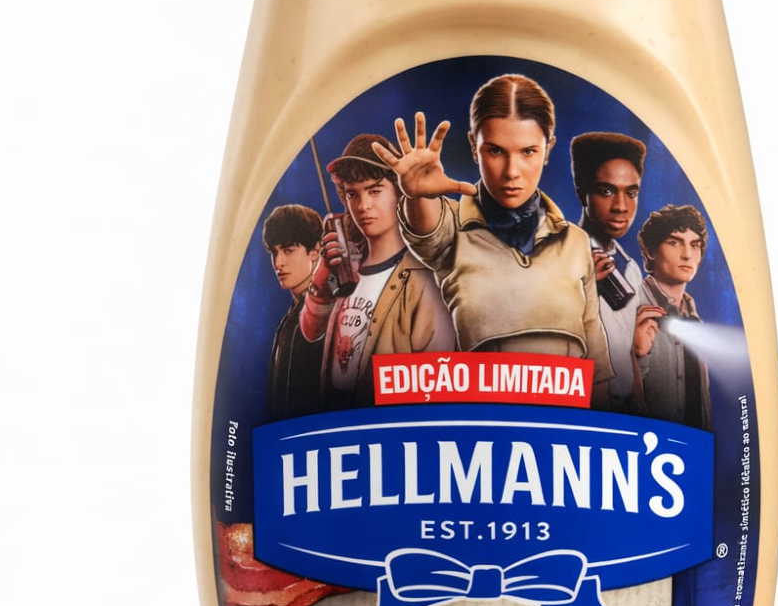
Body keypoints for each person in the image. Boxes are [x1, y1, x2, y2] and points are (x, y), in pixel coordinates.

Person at [372, 77, 615, 395]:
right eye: (496, 150)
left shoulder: (576, 242)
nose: (512, 171)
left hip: (563, 421)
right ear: (474, 147)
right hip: (483, 418)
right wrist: (417, 195)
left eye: (528, 151)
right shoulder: (455, 231)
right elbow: (427, 230)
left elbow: (596, 369)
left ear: (548, 149)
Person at [297, 133, 456, 409]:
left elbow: (436, 387)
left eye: (374, 191)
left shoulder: (425, 278)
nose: (363, 206)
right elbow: (310, 332)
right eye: (352, 194)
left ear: (399, 190)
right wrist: (320, 284)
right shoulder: (346, 269)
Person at [570, 131, 648, 407]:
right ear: (582, 192)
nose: (621, 207)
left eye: (631, 193)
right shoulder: (560, 256)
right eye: (606, 191)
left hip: (624, 413)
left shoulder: (630, 268)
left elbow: (628, 351)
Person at [629, 205, 712, 429]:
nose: (687, 254)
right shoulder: (627, 307)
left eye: (694, 245)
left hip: (693, 446)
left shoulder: (693, 317)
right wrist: (637, 357)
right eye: (674, 242)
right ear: (650, 251)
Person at [261, 204, 326, 419]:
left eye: (288, 250)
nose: (278, 263)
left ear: (315, 251)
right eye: (274, 252)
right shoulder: (292, 315)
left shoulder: (329, 314)